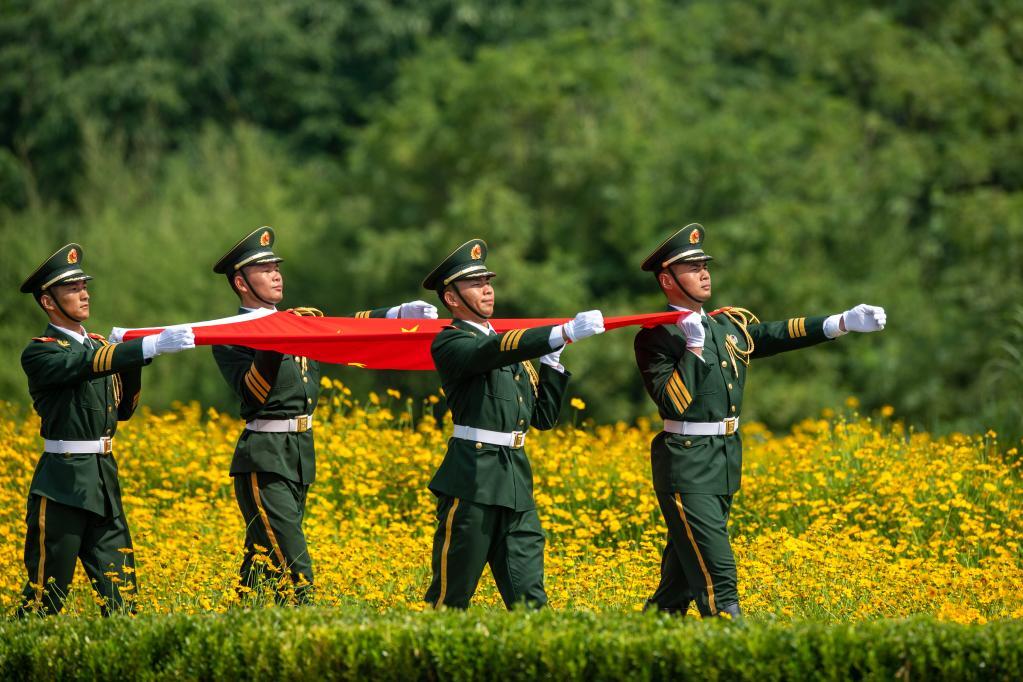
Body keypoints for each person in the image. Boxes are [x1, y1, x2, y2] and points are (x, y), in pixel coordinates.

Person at [634, 223, 886, 619]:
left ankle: (651, 629)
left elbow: (772, 334)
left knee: (681, 577)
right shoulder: (657, 335)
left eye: (705, 265)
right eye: (691, 267)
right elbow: (673, 402)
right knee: (719, 576)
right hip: (686, 463)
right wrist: (694, 348)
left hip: (723, 461)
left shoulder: (723, 325)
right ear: (667, 279)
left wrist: (839, 323)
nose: (704, 273)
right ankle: (733, 639)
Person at [211, 226, 437, 603]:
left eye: (276, 267)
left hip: (299, 454)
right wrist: (274, 343)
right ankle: (305, 624)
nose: (276, 274)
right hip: (264, 457)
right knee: (295, 567)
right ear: (241, 282)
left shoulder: (298, 321)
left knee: (263, 561)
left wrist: (394, 315)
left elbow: (342, 327)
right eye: (265, 269)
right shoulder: (228, 333)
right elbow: (253, 393)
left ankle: (237, 622)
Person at [421, 238, 604, 609]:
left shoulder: (512, 350)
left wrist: (552, 362)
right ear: (452, 298)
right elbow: (487, 354)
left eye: (488, 281)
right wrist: (560, 332)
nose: (487, 289)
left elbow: (543, 418)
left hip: (516, 481)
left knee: (530, 599)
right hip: (472, 478)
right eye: (475, 283)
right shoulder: (452, 342)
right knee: (451, 598)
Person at [17, 243, 194, 615]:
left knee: (122, 599)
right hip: (63, 484)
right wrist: (144, 347)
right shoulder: (42, 352)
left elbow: (123, 410)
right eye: (72, 289)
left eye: (84, 285)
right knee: (44, 598)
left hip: (103, 482)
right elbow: (83, 365)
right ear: (48, 301)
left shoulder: (99, 346)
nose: (84, 294)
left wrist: (131, 355)